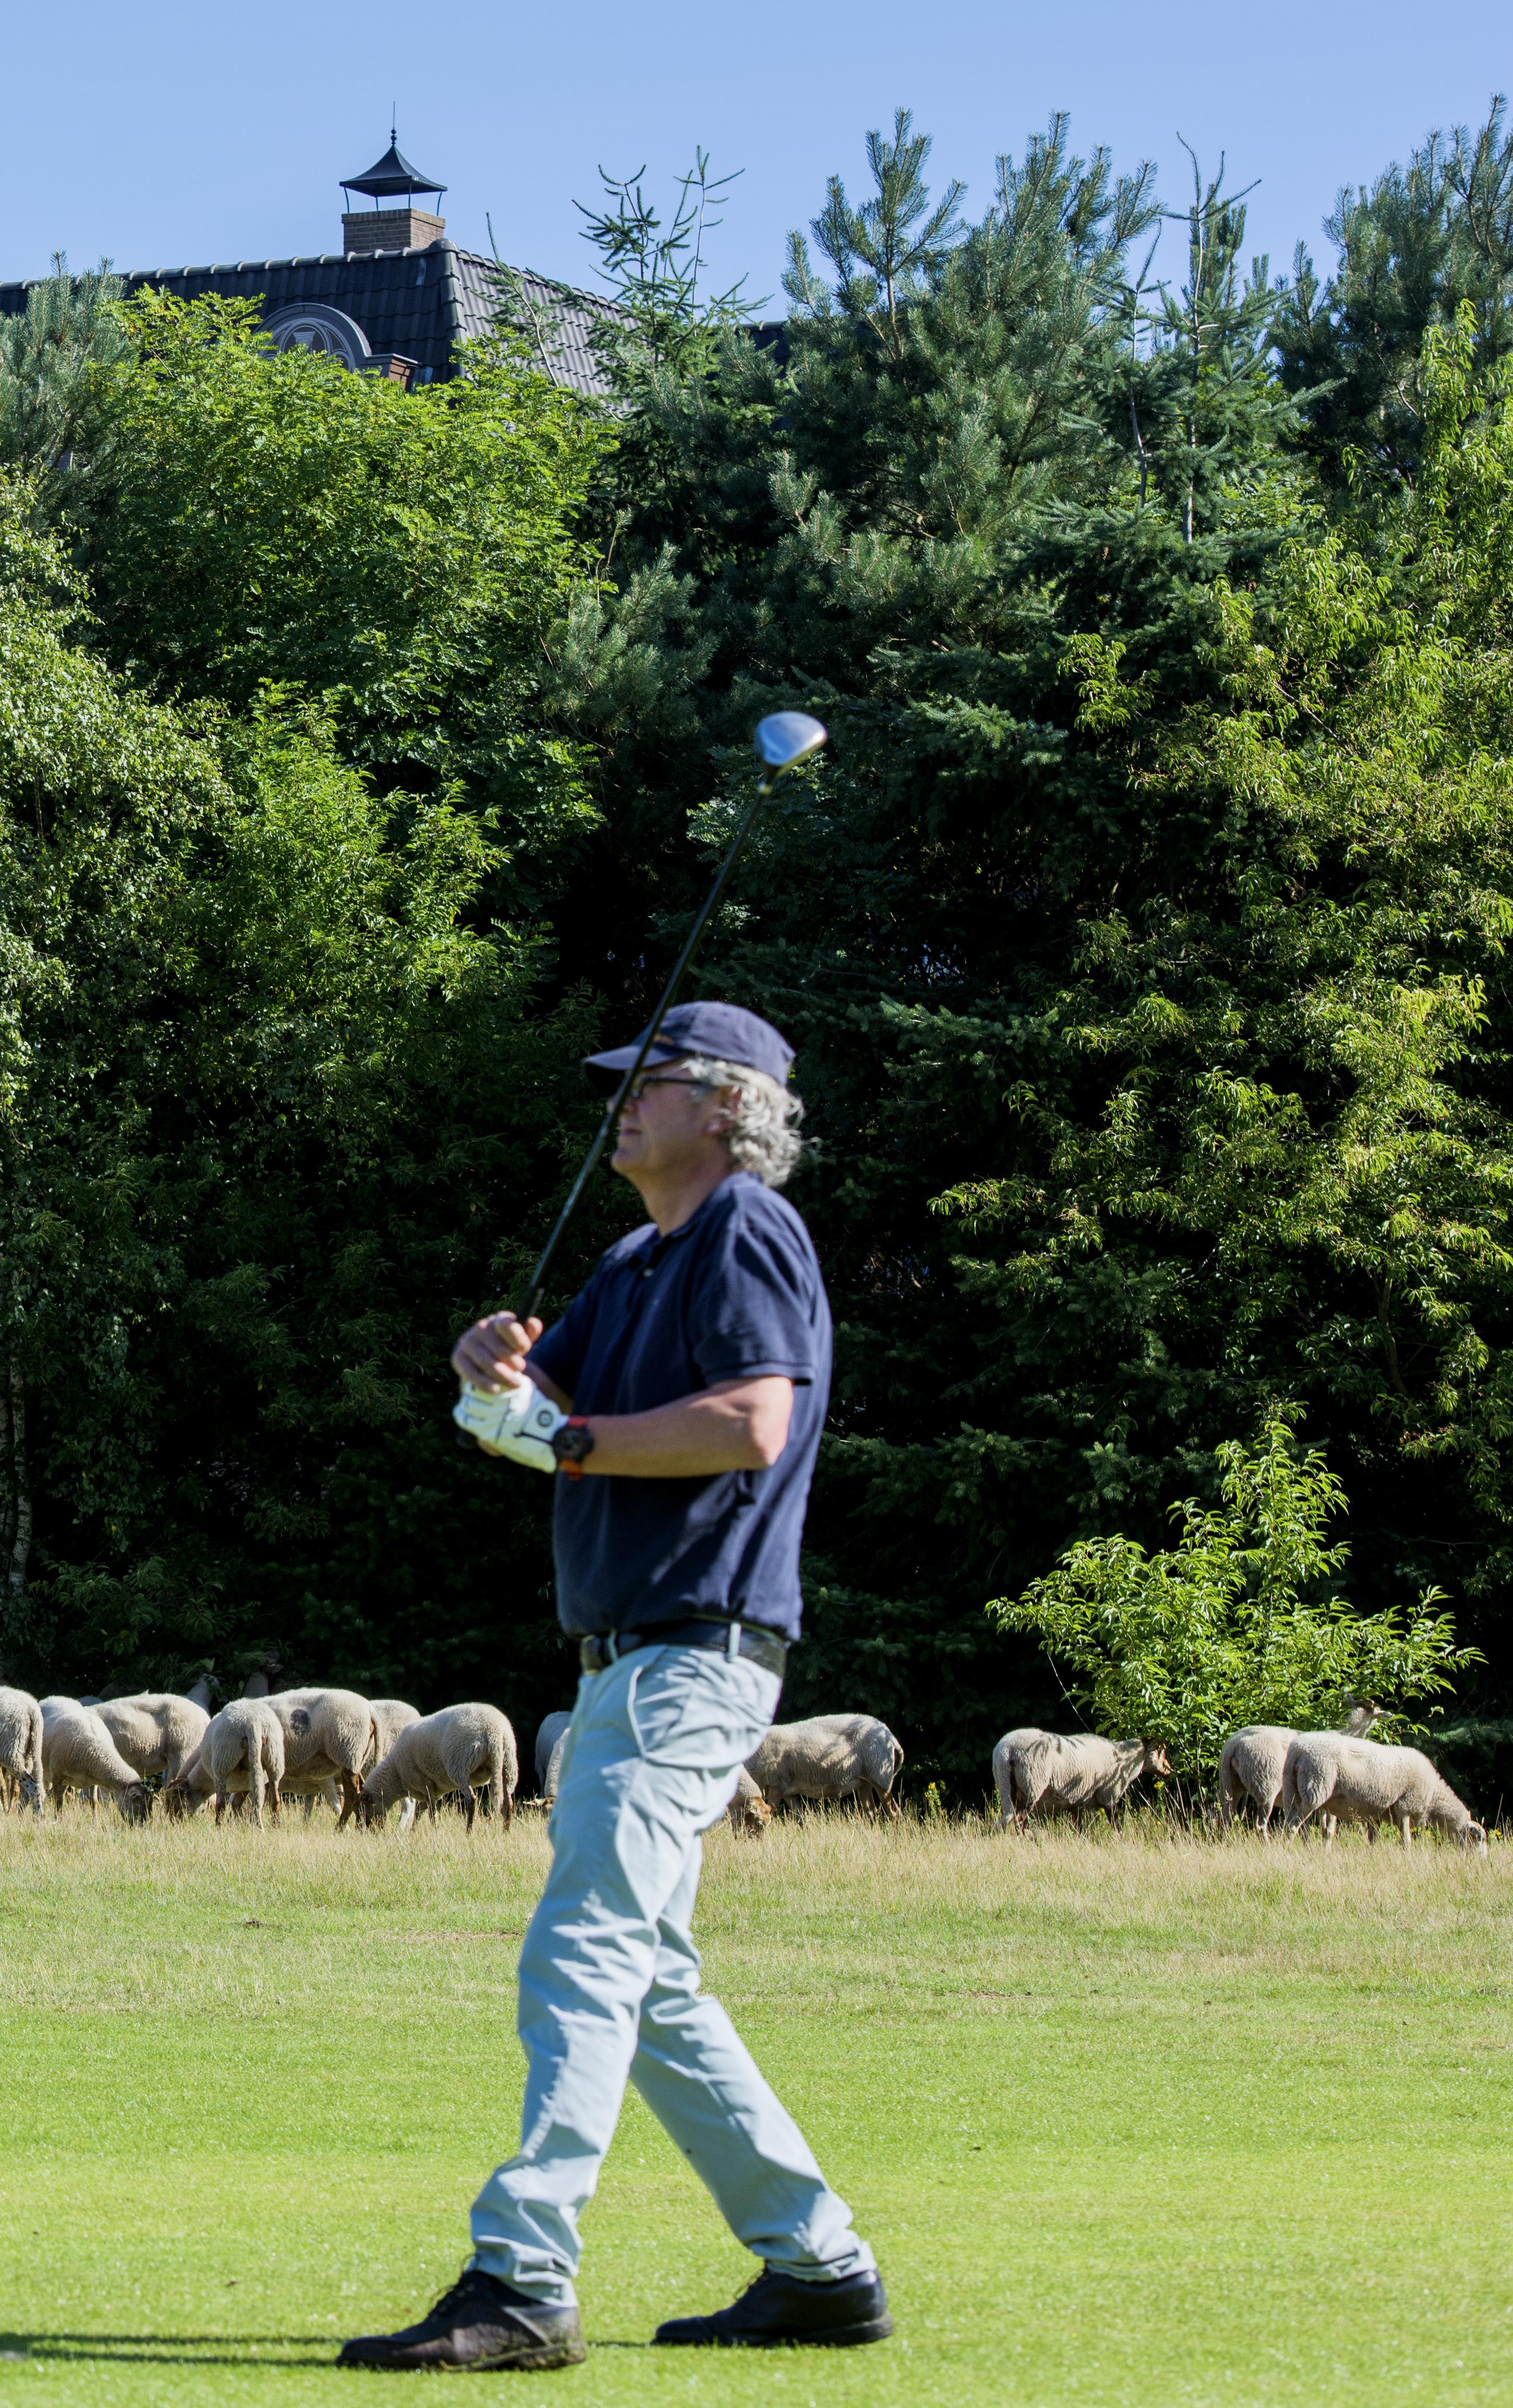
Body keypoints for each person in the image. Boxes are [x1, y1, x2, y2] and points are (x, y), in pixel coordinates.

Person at [340, 999, 891, 2372]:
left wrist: (565, 1436)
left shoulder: (744, 1229)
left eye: (644, 1083)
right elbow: (531, 1409)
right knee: (646, 1984)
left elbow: (751, 1421)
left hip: (686, 1655)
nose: (617, 1104)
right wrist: (490, 1372)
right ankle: (819, 2267)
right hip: (634, 1665)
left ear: (724, 1106)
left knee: (584, 1949)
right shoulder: (637, 1257)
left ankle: (523, 2277)